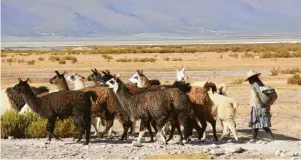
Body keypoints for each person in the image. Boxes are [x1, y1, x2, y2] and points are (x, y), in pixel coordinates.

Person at [245, 70, 275, 142]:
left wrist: (265, 105)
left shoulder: (255, 85)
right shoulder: (258, 83)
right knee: (258, 124)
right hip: (259, 106)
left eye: (249, 79)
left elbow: (261, 96)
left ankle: (272, 139)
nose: (248, 80)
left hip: (258, 107)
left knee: (261, 124)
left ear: (251, 78)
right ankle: (254, 138)